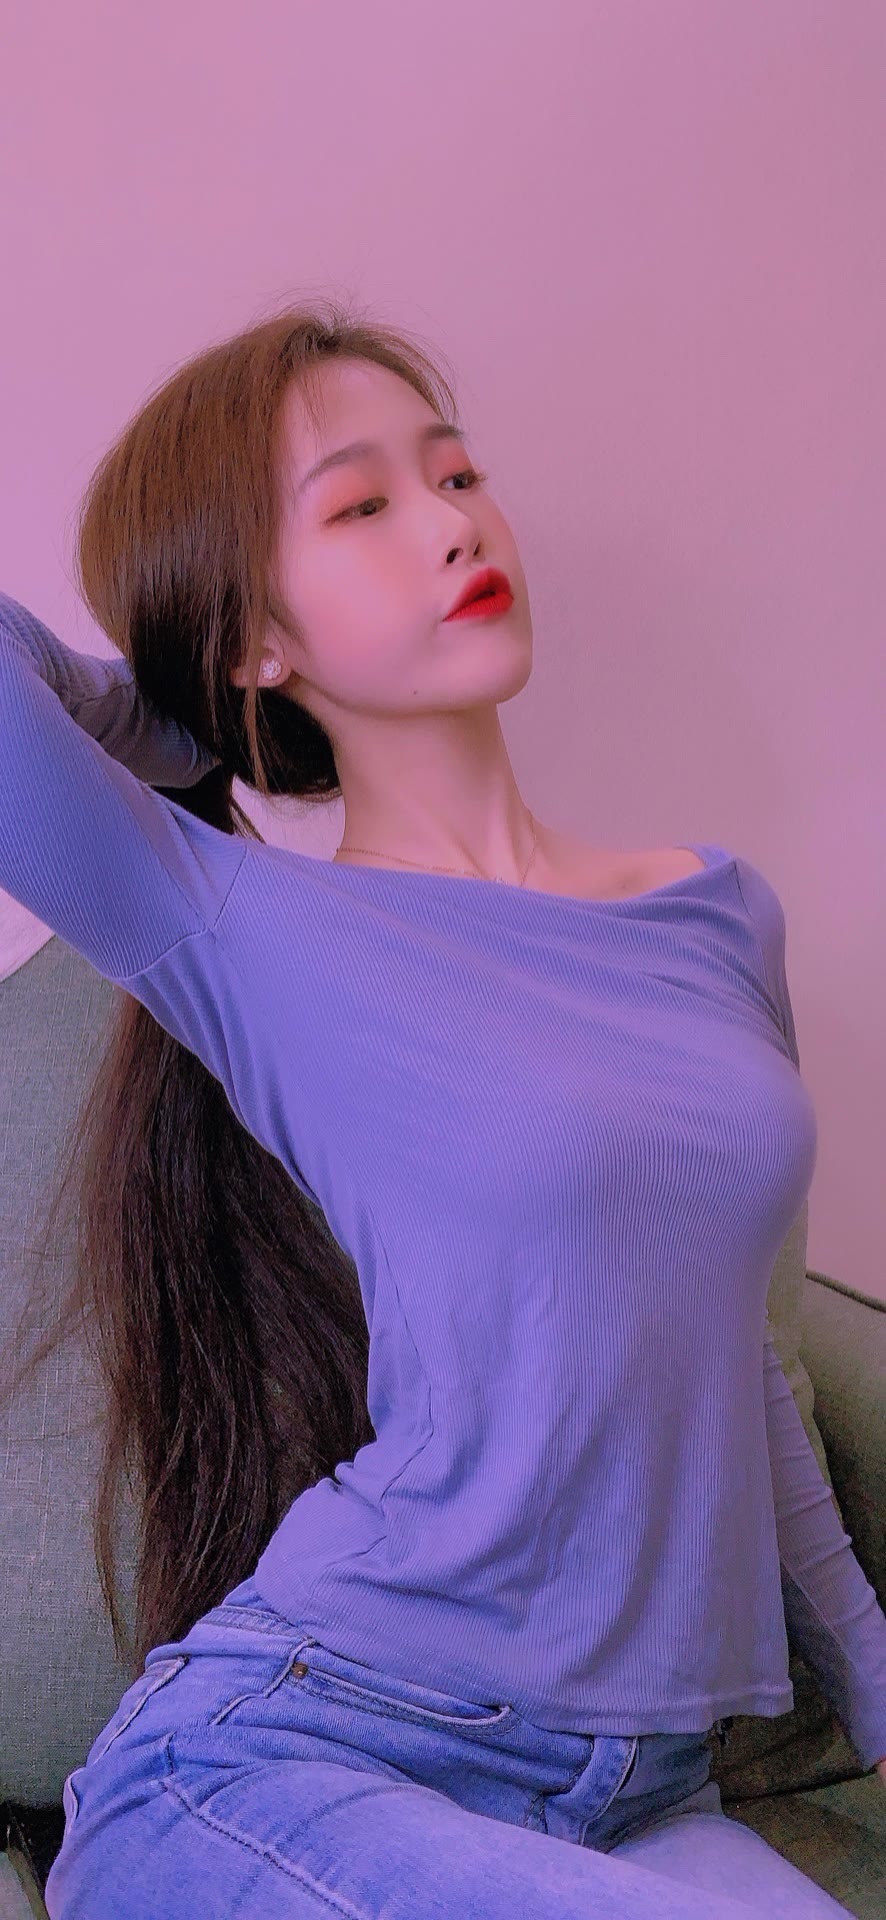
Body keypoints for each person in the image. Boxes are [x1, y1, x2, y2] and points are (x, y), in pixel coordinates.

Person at [0, 302, 882, 1919]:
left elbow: (736, 1357)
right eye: (360, 505)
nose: (455, 524)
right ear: (259, 636)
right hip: (283, 1760)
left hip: (637, 1792)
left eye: (459, 474)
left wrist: (875, 1690)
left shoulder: (712, 914)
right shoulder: (243, 926)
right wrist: (170, 703)